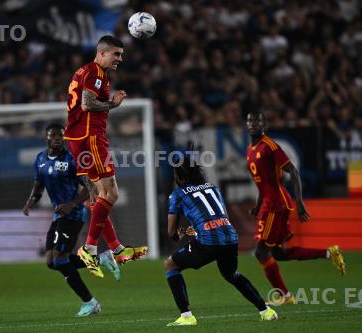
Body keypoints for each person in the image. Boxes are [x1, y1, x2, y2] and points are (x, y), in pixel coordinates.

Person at [64, 35, 147, 277]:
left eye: (121, 54)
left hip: (78, 140)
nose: (120, 58)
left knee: (97, 197)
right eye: (116, 54)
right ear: (102, 53)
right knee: (111, 193)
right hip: (90, 139)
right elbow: (88, 105)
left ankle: (116, 248)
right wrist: (114, 104)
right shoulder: (96, 73)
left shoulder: (84, 71)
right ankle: (89, 249)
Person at [246, 111, 346, 306]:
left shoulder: (270, 146)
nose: (253, 123)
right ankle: (329, 253)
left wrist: (300, 203)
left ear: (264, 124)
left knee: (261, 252)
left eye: (257, 120)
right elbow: (263, 183)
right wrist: (257, 205)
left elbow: (293, 170)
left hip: (276, 204)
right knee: (279, 254)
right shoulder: (250, 149)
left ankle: (285, 296)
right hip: (268, 203)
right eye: (250, 120)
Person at [164, 155, 278, 326]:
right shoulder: (213, 188)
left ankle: (187, 317)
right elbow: (222, 215)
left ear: (179, 176)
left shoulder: (178, 194)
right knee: (230, 274)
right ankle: (265, 310)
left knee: (170, 264)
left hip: (207, 242)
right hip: (230, 238)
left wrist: (178, 236)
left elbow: (171, 231)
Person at [22, 123, 121, 317]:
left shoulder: (71, 160)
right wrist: (30, 202)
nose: (58, 138)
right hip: (60, 214)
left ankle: (90, 302)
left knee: (60, 260)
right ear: (46, 138)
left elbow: (90, 187)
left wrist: (72, 203)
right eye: (54, 135)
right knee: (51, 261)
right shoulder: (40, 159)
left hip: (74, 214)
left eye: (61, 136)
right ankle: (102, 259)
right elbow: (39, 184)